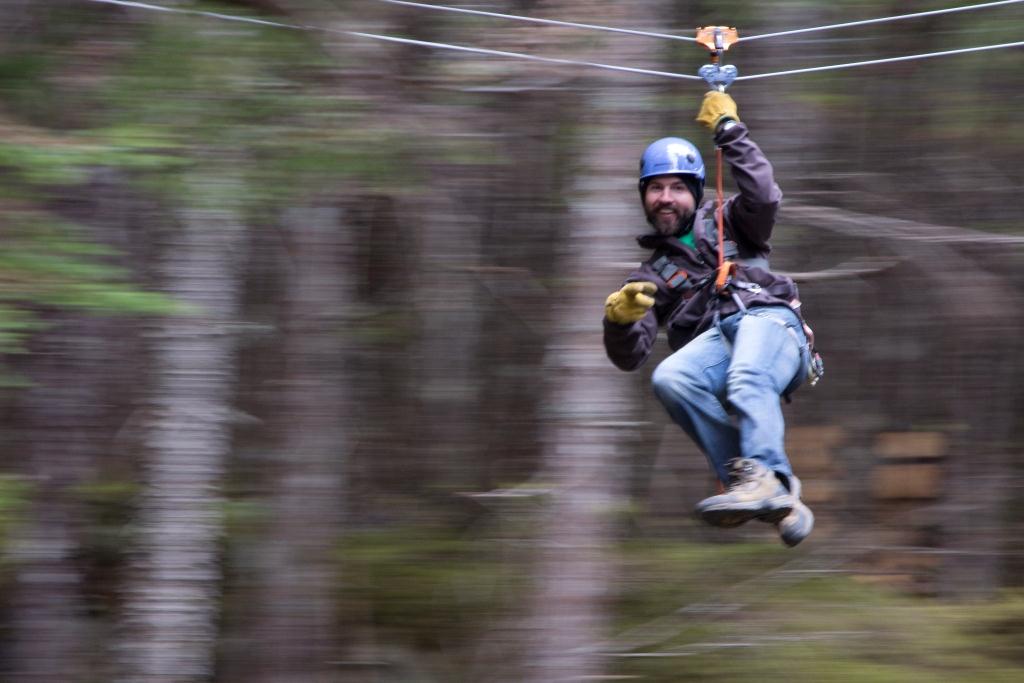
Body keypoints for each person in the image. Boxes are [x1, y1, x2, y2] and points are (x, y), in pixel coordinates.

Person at [602, 91, 818, 547]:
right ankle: (763, 487)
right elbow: (632, 357)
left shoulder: (733, 221)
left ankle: (762, 474)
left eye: (677, 187)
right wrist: (620, 321)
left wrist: (730, 132)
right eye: (655, 188)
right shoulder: (648, 278)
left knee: (745, 375)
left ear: (695, 192)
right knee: (670, 378)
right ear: (643, 196)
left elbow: (764, 195)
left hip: (772, 328)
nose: (665, 198)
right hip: (722, 345)